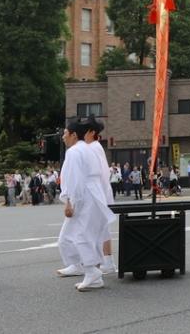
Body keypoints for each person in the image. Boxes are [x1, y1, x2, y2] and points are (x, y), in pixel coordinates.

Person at [56, 117, 116, 291]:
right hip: (93, 195)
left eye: (66, 133)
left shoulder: (75, 152)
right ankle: (87, 268)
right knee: (85, 236)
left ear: (74, 135)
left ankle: (91, 272)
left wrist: (69, 201)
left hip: (85, 197)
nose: (63, 137)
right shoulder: (88, 149)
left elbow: (74, 179)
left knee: (78, 236)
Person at [82, 116, 117, 275]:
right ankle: (106, 262)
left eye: (84, 130)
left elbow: (99, 174)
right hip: (101, 192)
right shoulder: (96, 147)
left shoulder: (93, 147)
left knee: (98, 229)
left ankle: (104, 262)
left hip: (98, 193)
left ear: (91, 132)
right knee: (102, 229)